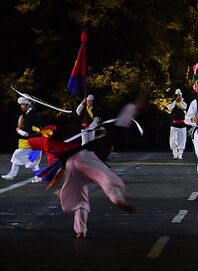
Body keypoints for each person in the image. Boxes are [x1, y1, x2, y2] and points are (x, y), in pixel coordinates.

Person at [41, 96, 140, 238]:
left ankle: (80, 230)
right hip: (88, 159)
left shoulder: (96, 133)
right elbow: (124, 118)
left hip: (73, 160)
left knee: (80, 199)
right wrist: (136, 104)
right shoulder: (110, 134)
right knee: (109, 179)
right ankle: (118, 200)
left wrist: (59, 178)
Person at [3, 96, 49, 180]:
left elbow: (27, 133)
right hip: (37, 142)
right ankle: (38, 177)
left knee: (16, 154)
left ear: (28, 105)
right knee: (32, 160)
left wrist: (18, 130)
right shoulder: (32, 114)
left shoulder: (30, 115)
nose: (21, 106)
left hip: (34, 142)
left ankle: (12, 175)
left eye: (23, 104)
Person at [168, 90, 188, 159]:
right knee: (173, 139)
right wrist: (175, 101)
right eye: (177, 95)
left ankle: (180, 155)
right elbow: (169, 108)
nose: (178, 97)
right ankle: (175, 154)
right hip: (174, 124)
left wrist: (180, 101)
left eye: (179, 95)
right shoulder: (172, 103)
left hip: (182, 124)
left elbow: (184, 108)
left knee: (182, 140)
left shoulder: (184, 103)